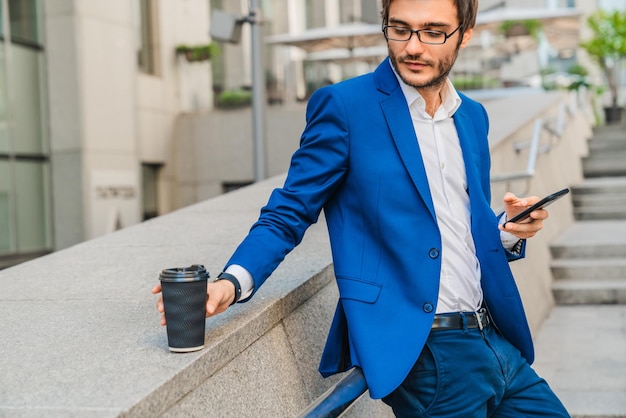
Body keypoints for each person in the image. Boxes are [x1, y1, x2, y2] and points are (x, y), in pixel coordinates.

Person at [154, 0, 570, 415]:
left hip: (494, 340)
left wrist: (505, 230)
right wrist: (230, 282)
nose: (414, 46)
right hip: (427, 352)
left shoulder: (472, 118)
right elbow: (289, 211)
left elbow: (454, 222)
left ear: (465, 32)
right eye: (400, 29)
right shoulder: (346, 107)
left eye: (433, 31)